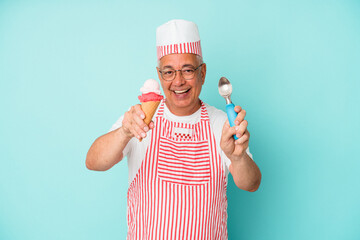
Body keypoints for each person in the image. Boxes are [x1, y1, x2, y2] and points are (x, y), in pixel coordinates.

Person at [86, 19, 261, 239]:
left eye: (187, 70)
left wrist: (238, 157)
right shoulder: (138, 120)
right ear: (159, 75)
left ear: (202, 73)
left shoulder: (222, 124)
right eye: (168, 72)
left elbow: (251, 184)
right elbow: (93, 162)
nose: (178, 81)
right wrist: (124, 132)